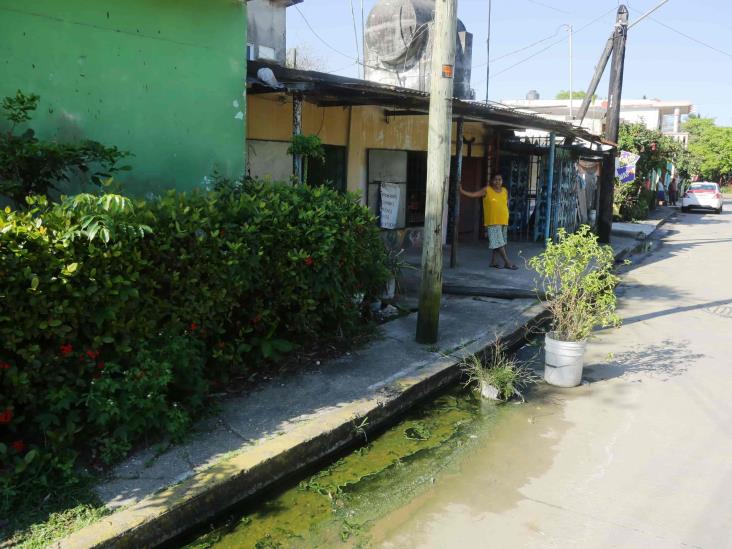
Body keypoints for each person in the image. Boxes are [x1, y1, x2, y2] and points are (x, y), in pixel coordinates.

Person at [459, 174, 518, 270]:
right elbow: (474, 194)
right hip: (492, 221)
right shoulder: (487, 190)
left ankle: (493, 262)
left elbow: (505, 204)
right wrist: (462, 191)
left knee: (499, 242)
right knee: (499, 242)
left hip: (503, 220)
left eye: (500, 179)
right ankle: (507, 262)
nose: (498, 181)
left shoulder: (504, 191)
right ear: (491, 181)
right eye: (495, 180)